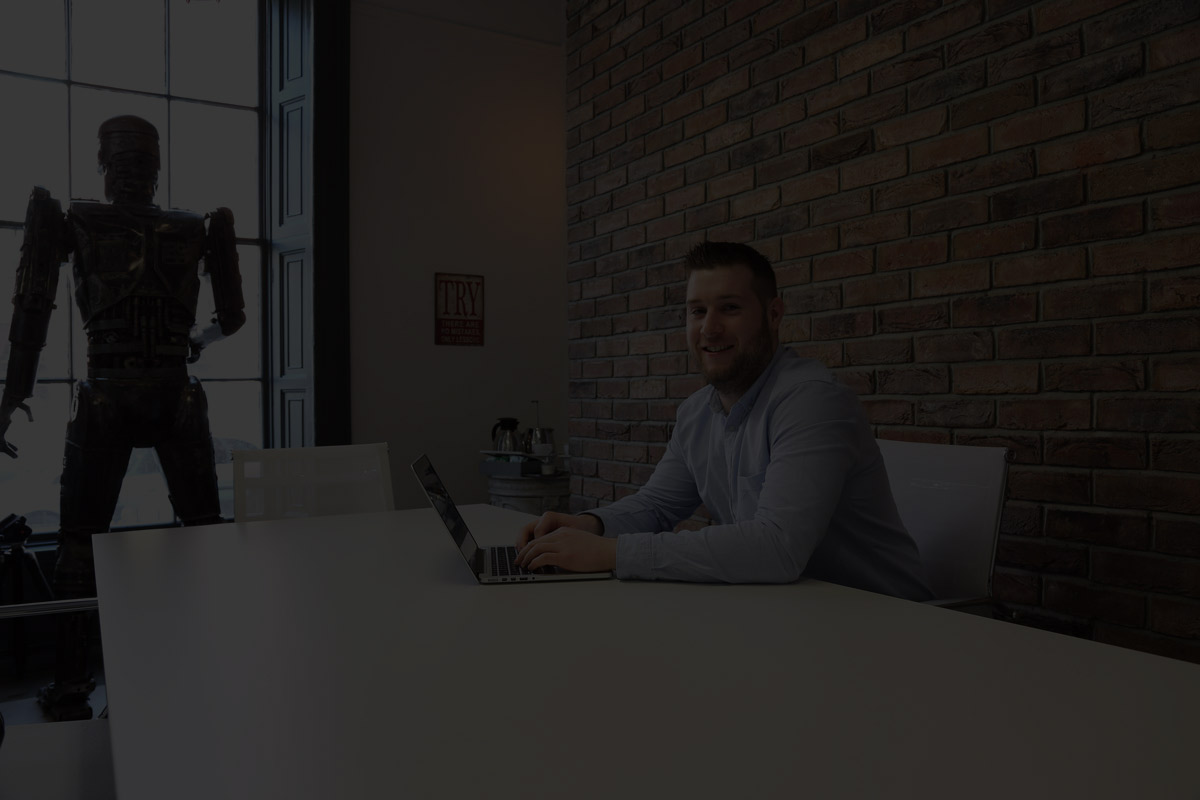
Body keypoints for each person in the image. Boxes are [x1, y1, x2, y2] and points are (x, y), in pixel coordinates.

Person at [514, 241, 932, 601]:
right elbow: (657, 506)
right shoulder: (697, 412)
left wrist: (611, 553)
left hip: (890, 624)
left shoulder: (812, 400)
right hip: (792, 613)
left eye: (729, 308)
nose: (709, 329)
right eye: (697, 311)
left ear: (773, 314)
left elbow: (777, 547)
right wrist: (590, 525)